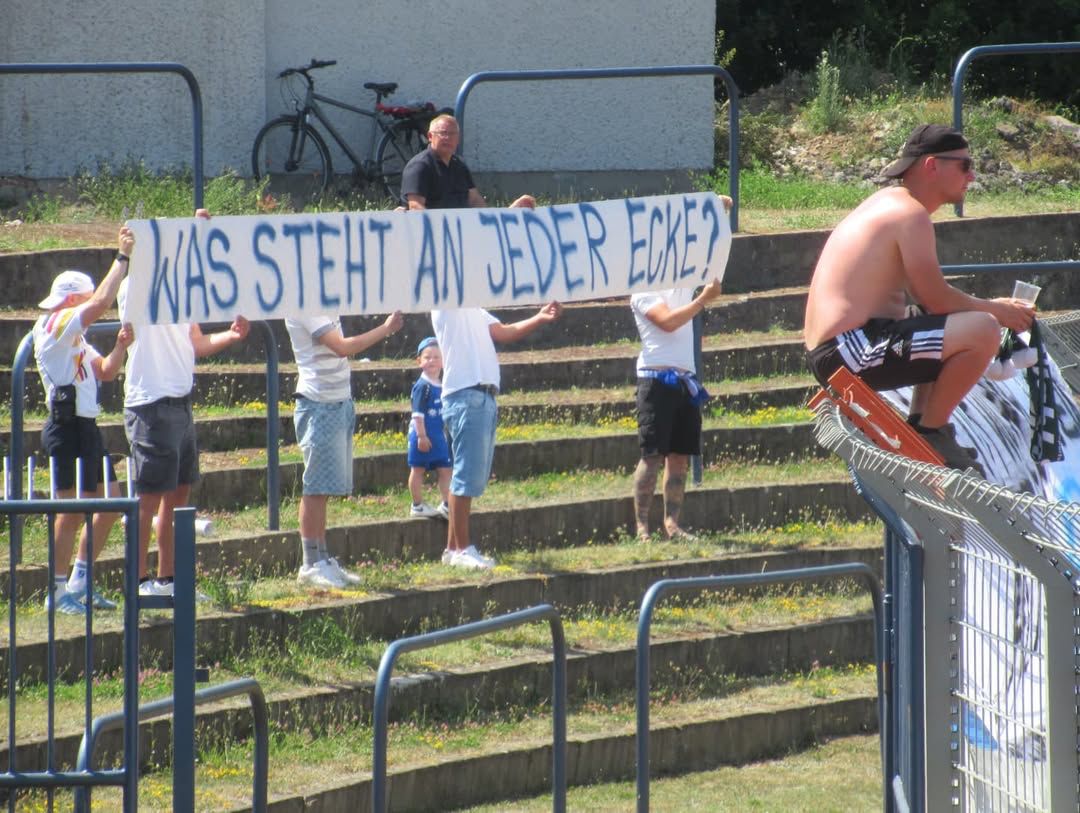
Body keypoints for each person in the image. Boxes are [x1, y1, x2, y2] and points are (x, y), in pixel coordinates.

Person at [803, 124, 1034, 473]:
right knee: (983, 330)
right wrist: (997, 311)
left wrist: (992, 307)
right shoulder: (908, 214)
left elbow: (934, 304)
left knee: (952, 322)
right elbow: (939, 298)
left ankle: (923, 423)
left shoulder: (891, 203)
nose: (971, 176)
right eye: (964, 165)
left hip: (841, 347)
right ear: (931, 166)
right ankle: (929, 432)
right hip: (848, 351)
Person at [402, 113, 560, 569]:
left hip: (486, 394)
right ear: (429, 137)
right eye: (441, 132)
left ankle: (457, 547)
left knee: (471, 477)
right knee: (465, 479)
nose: (448, 138)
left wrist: (540, 316)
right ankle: (458, 548)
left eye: (453, 131)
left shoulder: (474, 301)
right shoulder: (444, 297)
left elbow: (503, 333)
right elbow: (418, 218)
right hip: (465, 394)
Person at [119, 210, 250, 597]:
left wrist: (230, 334)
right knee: (148, 498)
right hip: (150, 403)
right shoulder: (136, 286)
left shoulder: (183, 291)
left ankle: (170, 579)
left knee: (177, 498)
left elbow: (196, 343)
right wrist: (195, 235)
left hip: (180, 402)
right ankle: (140, 581)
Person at [33, 228, 134, 613]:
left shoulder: (78, 337)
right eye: (85, 299)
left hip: (86, 427)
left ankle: (81, 577)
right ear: (72, 300)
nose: (91, 306)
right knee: (72, 510)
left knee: (109, 501)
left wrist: (121, 346)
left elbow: (106, 371)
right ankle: (56, 592)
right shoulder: (55, 323)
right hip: (66, 427)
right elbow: (102, 301)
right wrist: (121, 258)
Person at [285, 308, 404, 589]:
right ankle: (309, 563)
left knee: (323, 488)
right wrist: (385, 328)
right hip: (318, 404)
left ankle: (322, 558)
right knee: (315, 487)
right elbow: (341, 347)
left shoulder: (324, 304)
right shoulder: (303, 305)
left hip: (337, 401)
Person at [631, 276, 724, 542]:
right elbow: (668, 322)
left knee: (679, 458)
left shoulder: (684, 283)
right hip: (655, 378)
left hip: (685, 378)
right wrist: (703, 299)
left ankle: (672, 524)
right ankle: (642, 529)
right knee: (652, 455)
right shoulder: (642, 289)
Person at [407, 336, 451, 519]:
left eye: (436, 357)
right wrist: (421, 436)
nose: (432, 361)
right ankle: (417, 505)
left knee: (445, 469)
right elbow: (417, 414)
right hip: (422, 435)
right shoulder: (422, 387)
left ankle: (447, 503)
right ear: (419, 361)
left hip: (438, 436)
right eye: (427, 357)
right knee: (418, 469)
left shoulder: (442, 385)